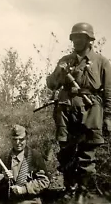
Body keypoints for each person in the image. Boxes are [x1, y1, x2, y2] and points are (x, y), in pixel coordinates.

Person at [46, 22, 111, 204]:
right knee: (65, 151)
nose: (76, 41)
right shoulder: (65, 60)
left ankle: (81, 193)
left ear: (89, 40)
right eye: (74, 37)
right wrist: (60, 71)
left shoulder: (101, 62)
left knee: (87, 155)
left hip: (91, 112)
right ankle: (69, 187)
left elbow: (108, 91)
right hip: (66, 110)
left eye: (80, 37)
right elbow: (52, 85)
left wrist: (108, 117)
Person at [0, 124, 50, 204]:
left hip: (29, 201)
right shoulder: (4, 156)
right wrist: (2, 177)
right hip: (8, 200)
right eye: (15, 139)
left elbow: (44, 181)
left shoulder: (34, 156)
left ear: (26, 139)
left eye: (21, 139)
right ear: (11, 140)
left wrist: (24, 189)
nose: (18, 143)